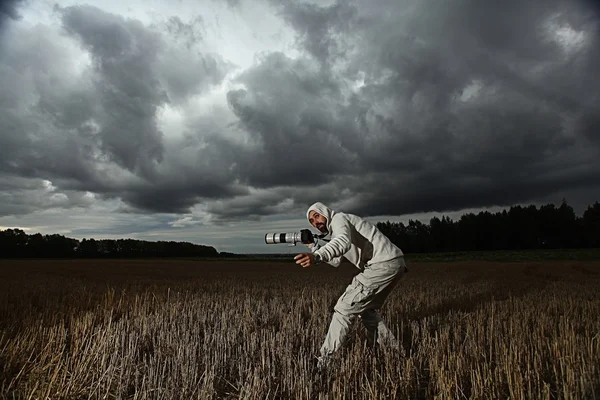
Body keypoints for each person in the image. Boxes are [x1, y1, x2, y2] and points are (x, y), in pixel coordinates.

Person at [294, 201, 408, 371]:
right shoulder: (339, 228)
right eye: (311, 221)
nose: (315, 222)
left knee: (344, 308)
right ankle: (395, 354)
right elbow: (335, 260)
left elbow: (342, 242)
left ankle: (324, 363)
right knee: (366, 311)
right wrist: (312, 246)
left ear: (326, 212)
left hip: (381, 264)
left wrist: (317, 256)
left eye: (316, 215)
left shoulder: (339, 219)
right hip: (393, 263)